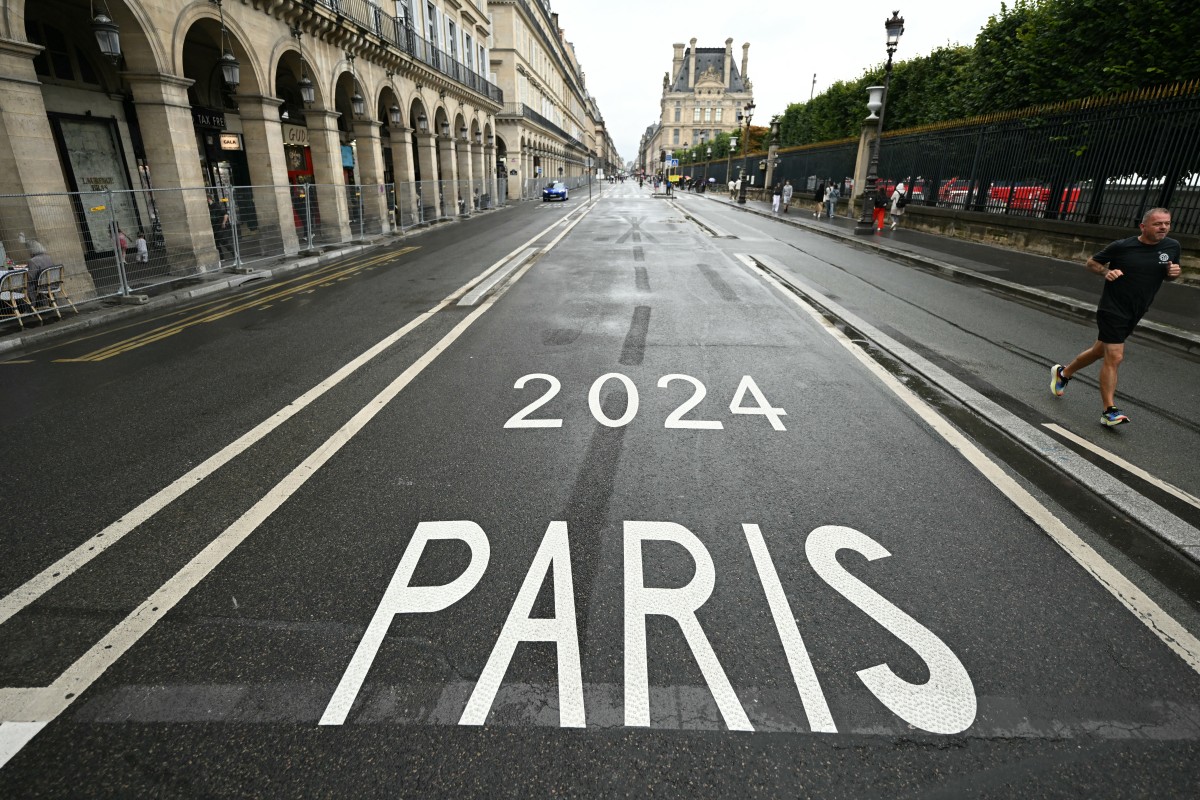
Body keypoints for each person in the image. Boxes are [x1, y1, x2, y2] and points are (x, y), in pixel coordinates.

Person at [1051, 208, 1182, 427]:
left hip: (1137, 310)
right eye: (1158, 224)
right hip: (1113, 308)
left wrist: (1173, 275)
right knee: (1115, 356)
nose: (1163, 228)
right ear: (1143, 226)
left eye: (1167, 223)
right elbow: (1092, 262)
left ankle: (1064, 373)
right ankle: (1108, 411)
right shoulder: (1123, 247)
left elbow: (1168, 275)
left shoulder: (1172, 247)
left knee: (1098, 351)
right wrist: (1106, 272)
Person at [209, 195, 231, 261]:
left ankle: (235, 254)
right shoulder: (208, 206)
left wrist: (223, 223)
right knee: (216, 243)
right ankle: (221, 258)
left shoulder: (216, 206)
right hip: (214, 228)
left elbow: (226, 214)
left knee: (224, 242)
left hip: (219, 227)